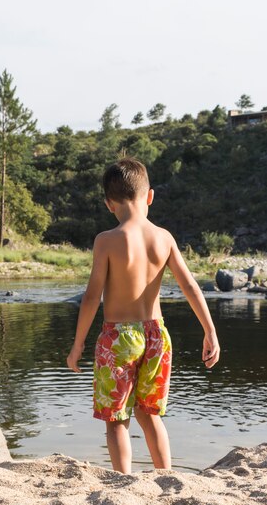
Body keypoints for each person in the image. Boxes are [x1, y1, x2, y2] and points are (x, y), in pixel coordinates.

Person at [66, 157, 220, 474]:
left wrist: (77, 344)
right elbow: (191, 286)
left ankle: (123, 480)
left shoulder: (106, 241)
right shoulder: (163, 238)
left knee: (117, 418)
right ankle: (166, 477)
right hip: (157, 336)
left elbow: (92, 297)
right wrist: (210, 331)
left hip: (118, 339)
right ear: (149, 196)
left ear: (109, 204)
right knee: (150, 414)